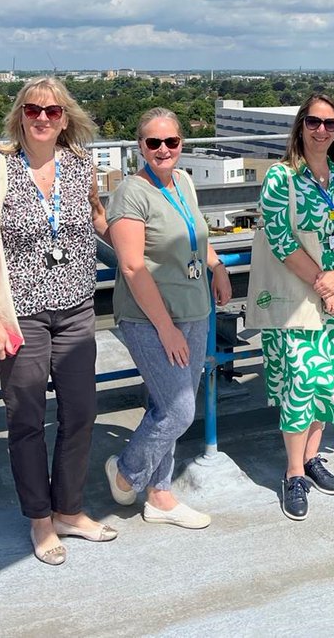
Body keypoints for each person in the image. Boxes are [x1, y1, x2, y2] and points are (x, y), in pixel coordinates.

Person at [0, 76, 112, 567]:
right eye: (33, 111)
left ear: (65, 118)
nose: (43, 119)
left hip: (76, 308)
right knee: (26, 418)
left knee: (82, 412)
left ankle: (69, 508)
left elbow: (98, 223)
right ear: (20, 116)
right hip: (20, 313)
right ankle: (40, 519)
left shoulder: (80, 165)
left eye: (52, 112)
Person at [105, 108, 232, 529]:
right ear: (140, 147)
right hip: (150, 318)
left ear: (182, 144)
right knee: (178, 411)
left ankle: (160, 496)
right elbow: (131, 267)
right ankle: (126, 471)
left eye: (171, 142)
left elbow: (196, 238)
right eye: (153, 143)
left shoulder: (185, 182)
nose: (163, 150)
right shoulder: (131, 193)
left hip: (194, 309)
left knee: (166, 404)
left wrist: (217, 267)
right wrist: (166, 329)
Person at [256, 93, 334, 521]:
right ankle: (294, 472)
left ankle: (314, 456)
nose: (322, 130)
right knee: (300, 382)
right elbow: (282, 241)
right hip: (298, 299)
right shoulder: (281, 178)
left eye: (330, 123)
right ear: (300, 126)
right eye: (313, 122)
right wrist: (326, 286)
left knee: (327, 383)